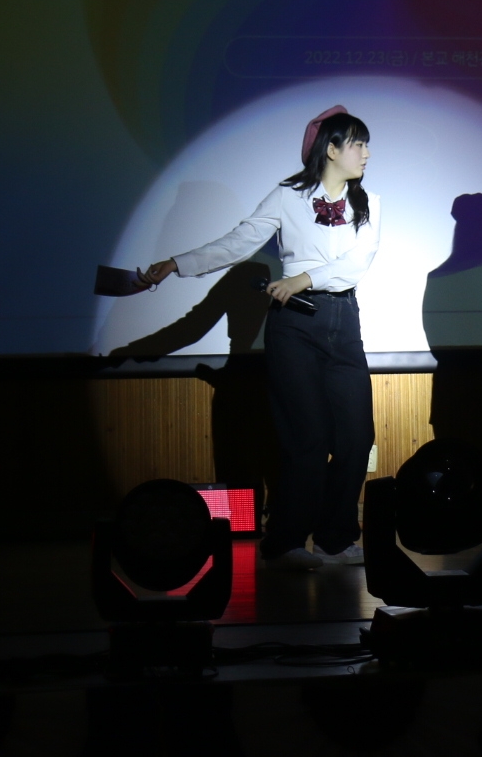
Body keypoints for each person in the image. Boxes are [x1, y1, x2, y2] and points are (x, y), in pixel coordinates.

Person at [141, 107, 379, 570]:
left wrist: (302, 278)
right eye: (358, 143)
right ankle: (285, 542)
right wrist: (177, 263)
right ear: (331, 149)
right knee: (307, 439)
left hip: (343, 321)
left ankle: (335, 538)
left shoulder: (368, 202)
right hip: (294, 326)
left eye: (367, 145)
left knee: (357, 437)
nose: (367, 153)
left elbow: (357, 263)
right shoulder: (288, 196)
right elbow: (238, 242)